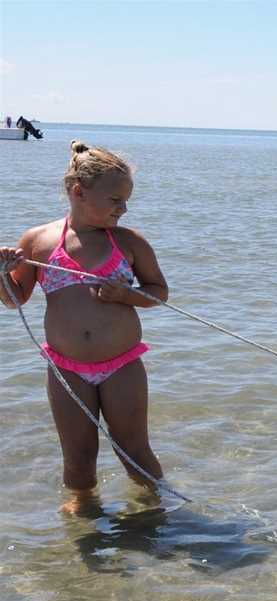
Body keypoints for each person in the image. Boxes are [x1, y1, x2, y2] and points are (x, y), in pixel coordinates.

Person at [0, 140, 169, 513]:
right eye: (115, 201)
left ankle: (157, 508)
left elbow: (159, 292)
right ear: (79, 192)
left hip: (121, 364)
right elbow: (14, 300)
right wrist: (1, 273)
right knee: (77, 460)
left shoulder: (129, 242)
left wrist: (126, 296)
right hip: (67, 369)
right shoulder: (38, 242)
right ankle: (84, 513)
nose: (123, 209)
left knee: (134, 451)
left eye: (126, 201)